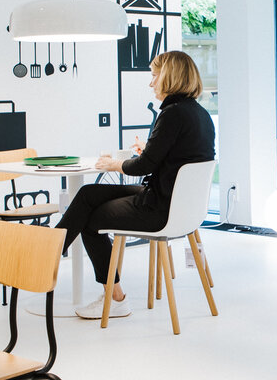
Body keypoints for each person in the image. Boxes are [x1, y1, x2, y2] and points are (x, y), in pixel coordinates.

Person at [55, 50, 215, 320]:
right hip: (178, 204)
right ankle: (50, 253)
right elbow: (175, 159)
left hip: (159, 208)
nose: (151, 83)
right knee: (88, 193)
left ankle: (114, 298)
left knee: (90, 219)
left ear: (169, 77)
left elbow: (142, 168)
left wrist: (113, 164)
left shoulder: (172, 114)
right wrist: (148, 151)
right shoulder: (198, 114)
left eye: (154, 76)